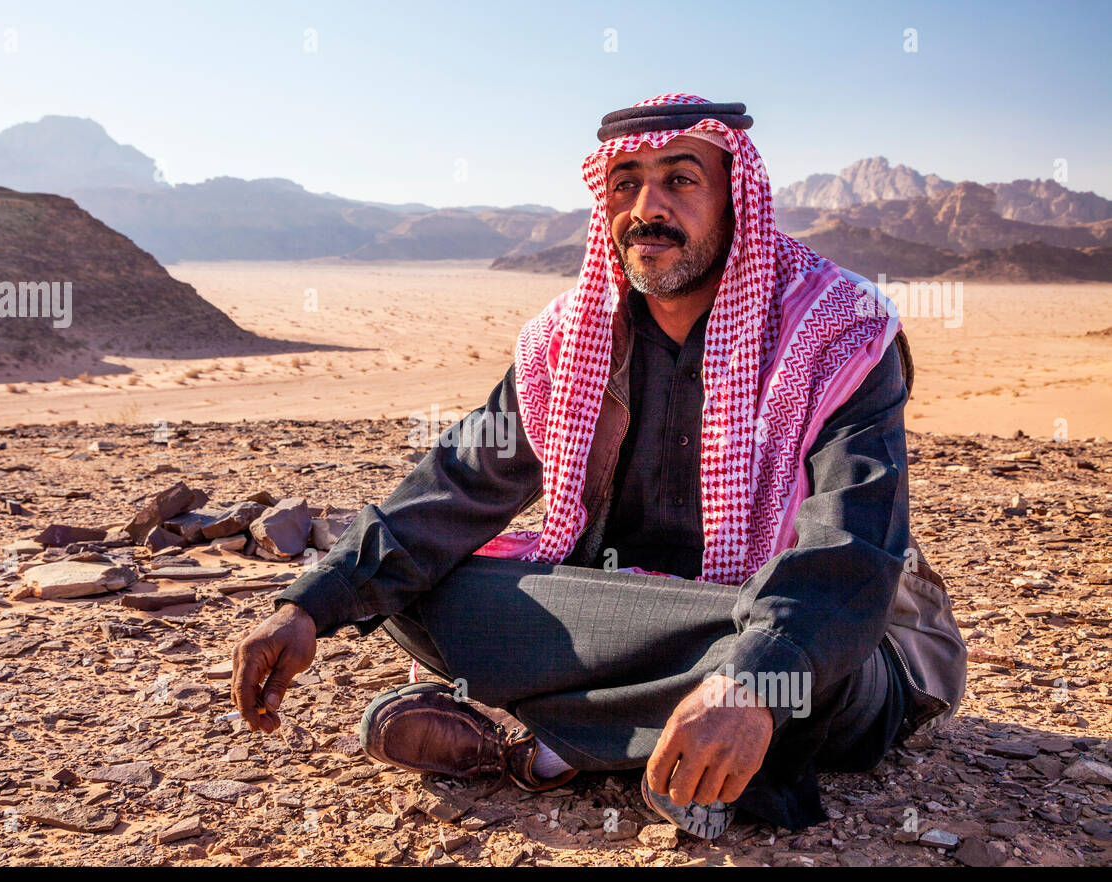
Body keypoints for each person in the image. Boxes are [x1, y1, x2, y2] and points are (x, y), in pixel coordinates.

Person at [231, 94, 932, 838]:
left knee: (810, 667)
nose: (647, 207)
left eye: (681, 180)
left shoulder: (839, 329)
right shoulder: (568, 341)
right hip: (626, 611)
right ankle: (662, 741)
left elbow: (852, 550)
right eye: (625, 182)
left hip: (805, 623)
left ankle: (555, 739)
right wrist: (306, 605)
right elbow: (457, 487)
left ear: (737, 195)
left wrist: (750, 679)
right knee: (415, 590)